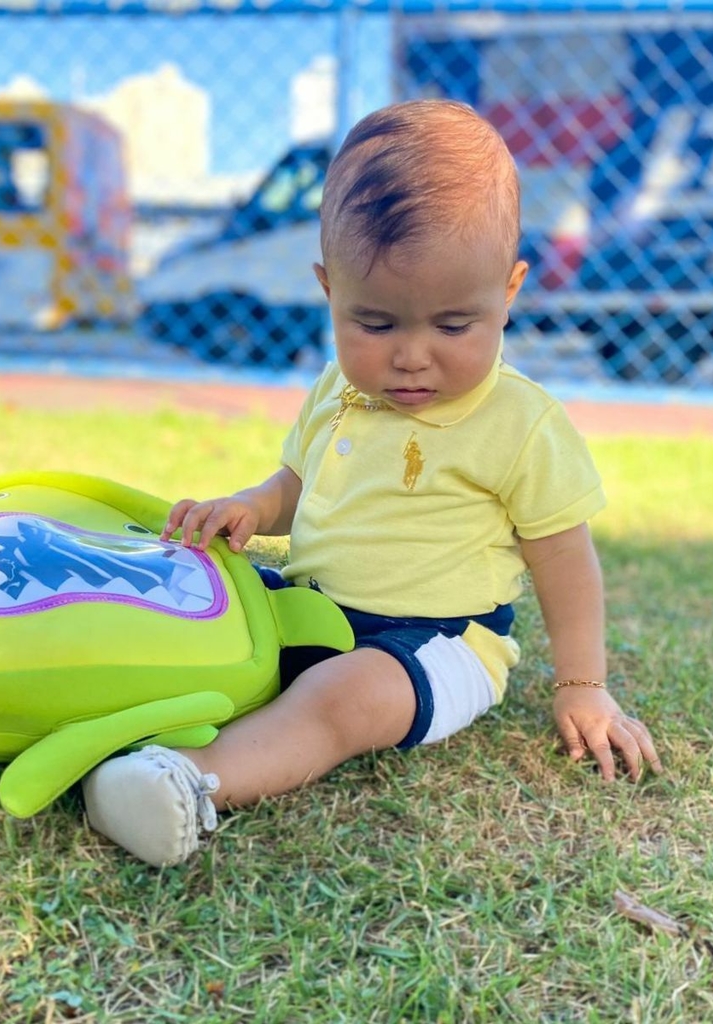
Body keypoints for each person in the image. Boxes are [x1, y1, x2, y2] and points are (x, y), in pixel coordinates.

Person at [81, 99, 663, 866]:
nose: (412, 356)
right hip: (315, 608)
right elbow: (299, 479)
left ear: (510, 291)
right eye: (376, 324)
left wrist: (582, 683)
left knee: (338, 700)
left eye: (453, 326)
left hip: (437, 645)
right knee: (199, 596)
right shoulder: (337, 387)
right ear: (329, 292)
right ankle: (77, 703)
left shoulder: (520, 421)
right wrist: (252, 508)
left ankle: (185, 784)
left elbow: (564, 559)